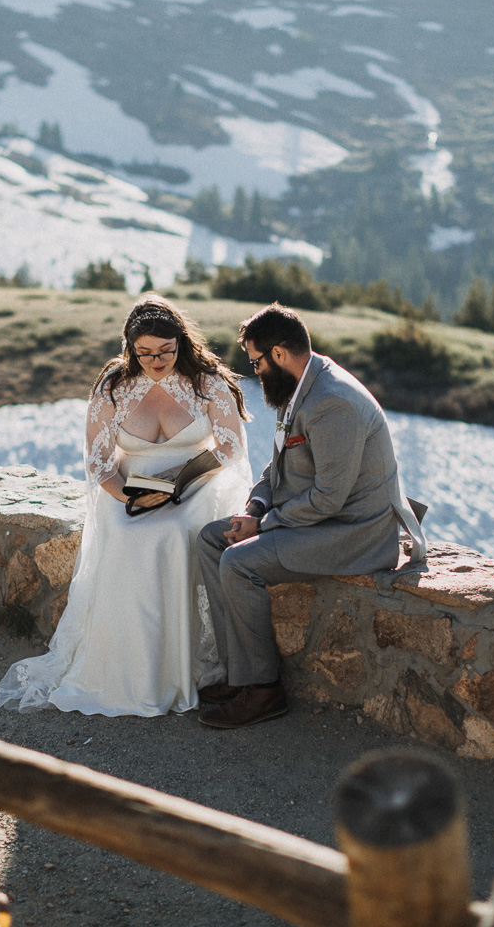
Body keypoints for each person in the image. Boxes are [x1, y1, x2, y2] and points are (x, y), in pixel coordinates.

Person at [0, 295, 252, 716]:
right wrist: (130, 495)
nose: (156, 360)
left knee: (168, 535)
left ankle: (172, 672)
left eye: (166, 351)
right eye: (145, 352)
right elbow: (98, 462)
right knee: (127, 533)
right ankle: (123, 670)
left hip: (198, 483)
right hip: (130, 488)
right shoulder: (114, 385)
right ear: (130, 347)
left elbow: (229, 446)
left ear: (180, 343)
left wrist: (182, 480)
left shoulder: (206, 381)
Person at [195, 303, 425, 729]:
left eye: (256, 361)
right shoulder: (298, 387)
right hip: (312, 519)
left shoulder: (332, 402)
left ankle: (264, 691)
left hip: (352, 532)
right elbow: (276, 467)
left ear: (279, 354)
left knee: (240, 561)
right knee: (213, 538)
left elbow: (329, 500)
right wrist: (254, 509)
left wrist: (261, 527)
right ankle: (238, 675)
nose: (256, 370)